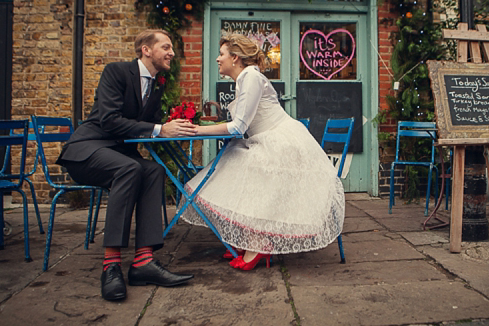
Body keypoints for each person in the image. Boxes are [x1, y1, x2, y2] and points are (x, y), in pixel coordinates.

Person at [182, 33, 345, 270]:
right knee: (232, 163)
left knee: (238, 167)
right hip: (266, 139)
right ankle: (252, 240)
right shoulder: (244, 79)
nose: (218, 59)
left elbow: (239, 127)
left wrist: (196, 130)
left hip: (281, 143)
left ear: (235, 57)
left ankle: (258, 243)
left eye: (222, 54)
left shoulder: (250, 77)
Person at [57, 29, 196, 301]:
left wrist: (178, 129)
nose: (172, 53)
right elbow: (109, 120)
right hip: (88, 149)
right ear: (146, 50)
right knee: (131, 168)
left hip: (120, 153)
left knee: (154, 170)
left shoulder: (158, 84)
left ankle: (144, 262)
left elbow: (150, 128)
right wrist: (159, 128)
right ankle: (110, 267)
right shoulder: (116, 72)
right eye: (166, 47)